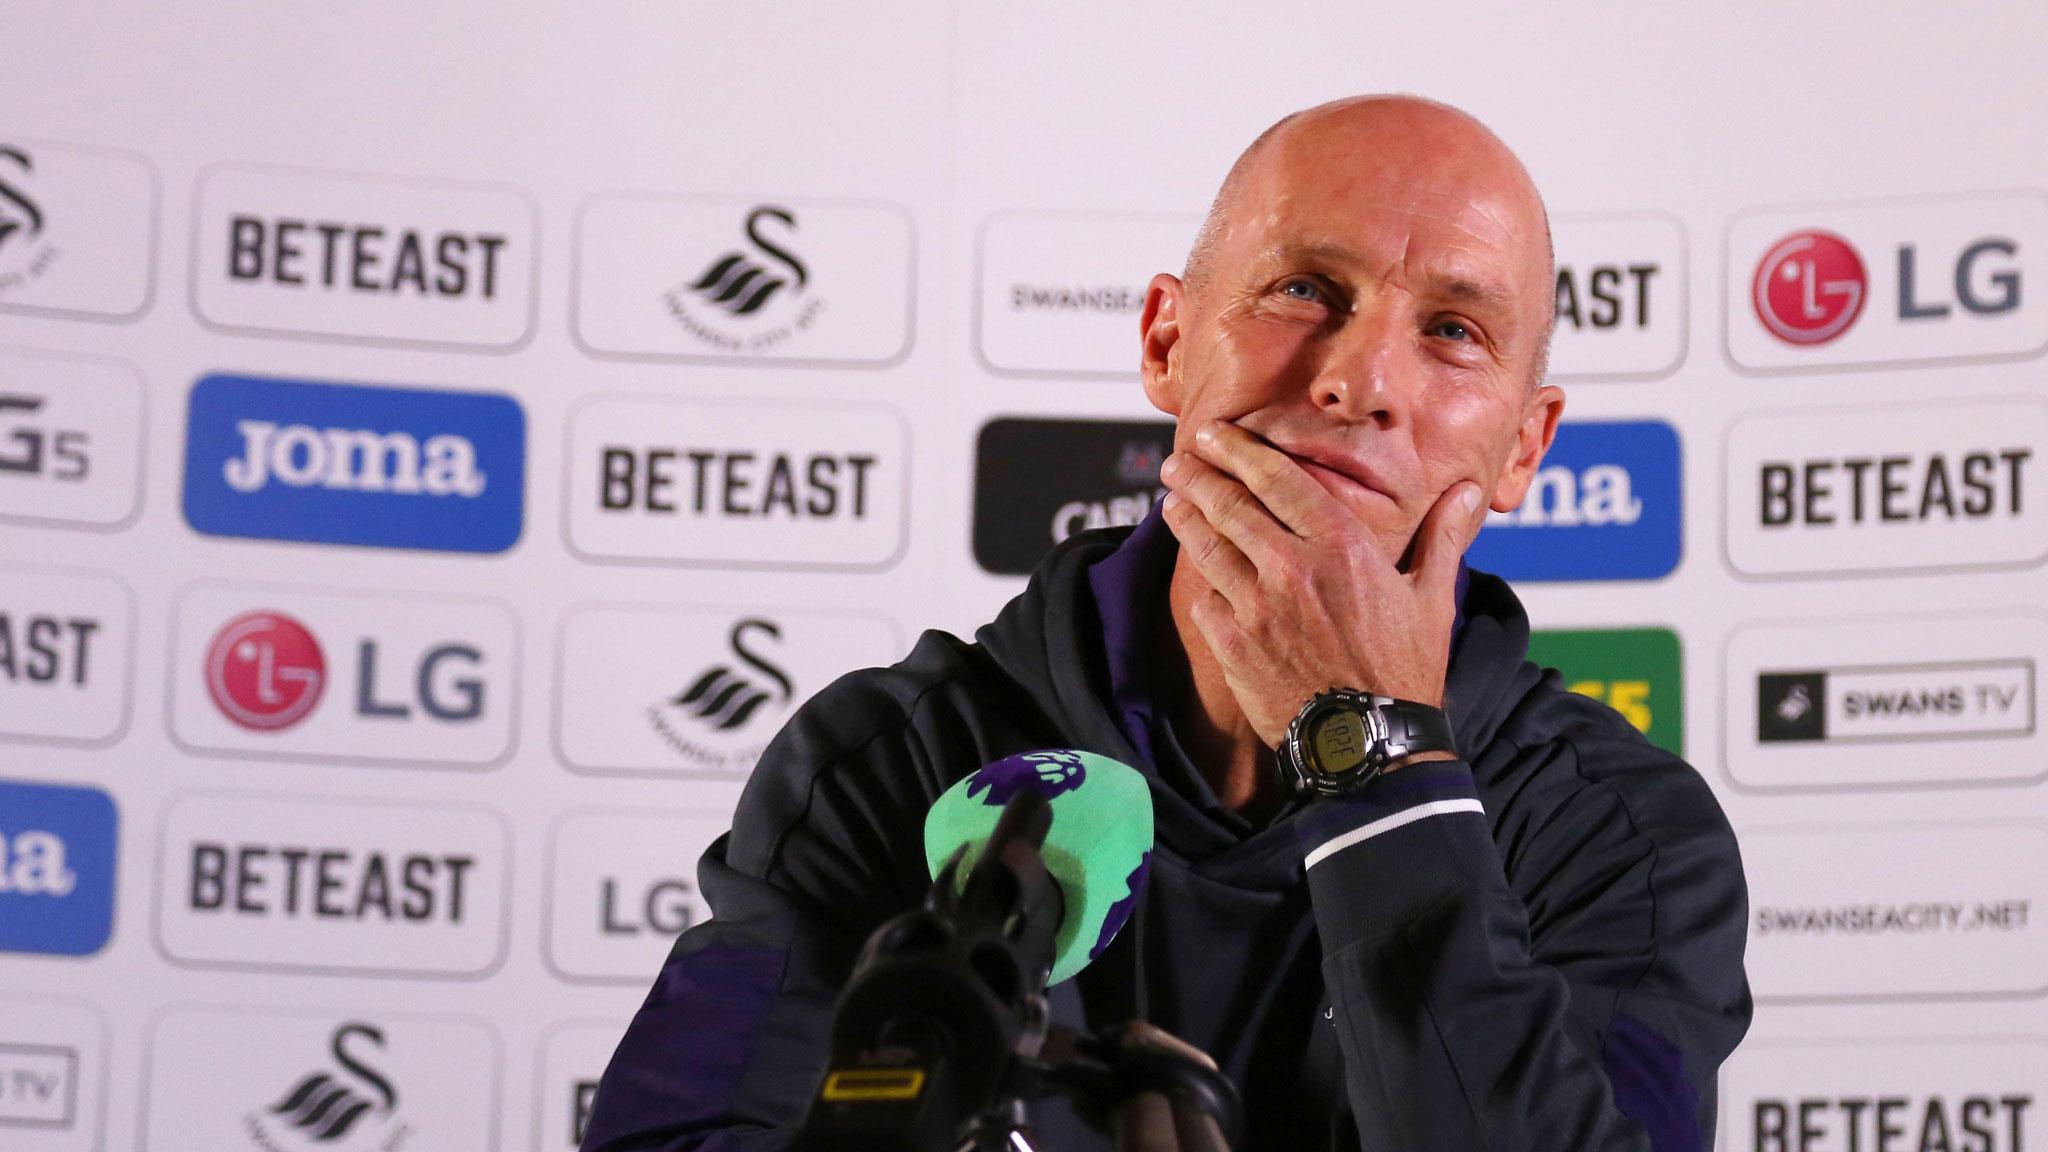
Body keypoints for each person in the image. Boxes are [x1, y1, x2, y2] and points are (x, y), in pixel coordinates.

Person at [581, 94, 1751, 1152]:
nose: (1358, 381)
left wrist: (1376, 757)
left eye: (1450, 330)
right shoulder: (892, 762)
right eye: (1303, 290)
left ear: (1523, 449)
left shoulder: (1623, 839)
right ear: (1164, 342)